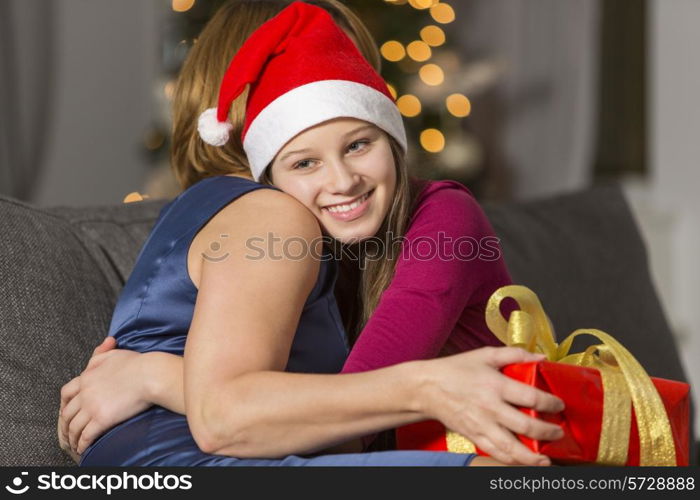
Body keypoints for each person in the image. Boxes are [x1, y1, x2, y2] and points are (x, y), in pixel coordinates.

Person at [58, 0, 565, 467]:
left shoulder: (443, 220)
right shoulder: (271, 222)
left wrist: (153, 377)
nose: (342, 180)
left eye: (359, 144)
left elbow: (340, 428)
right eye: (304, 161)